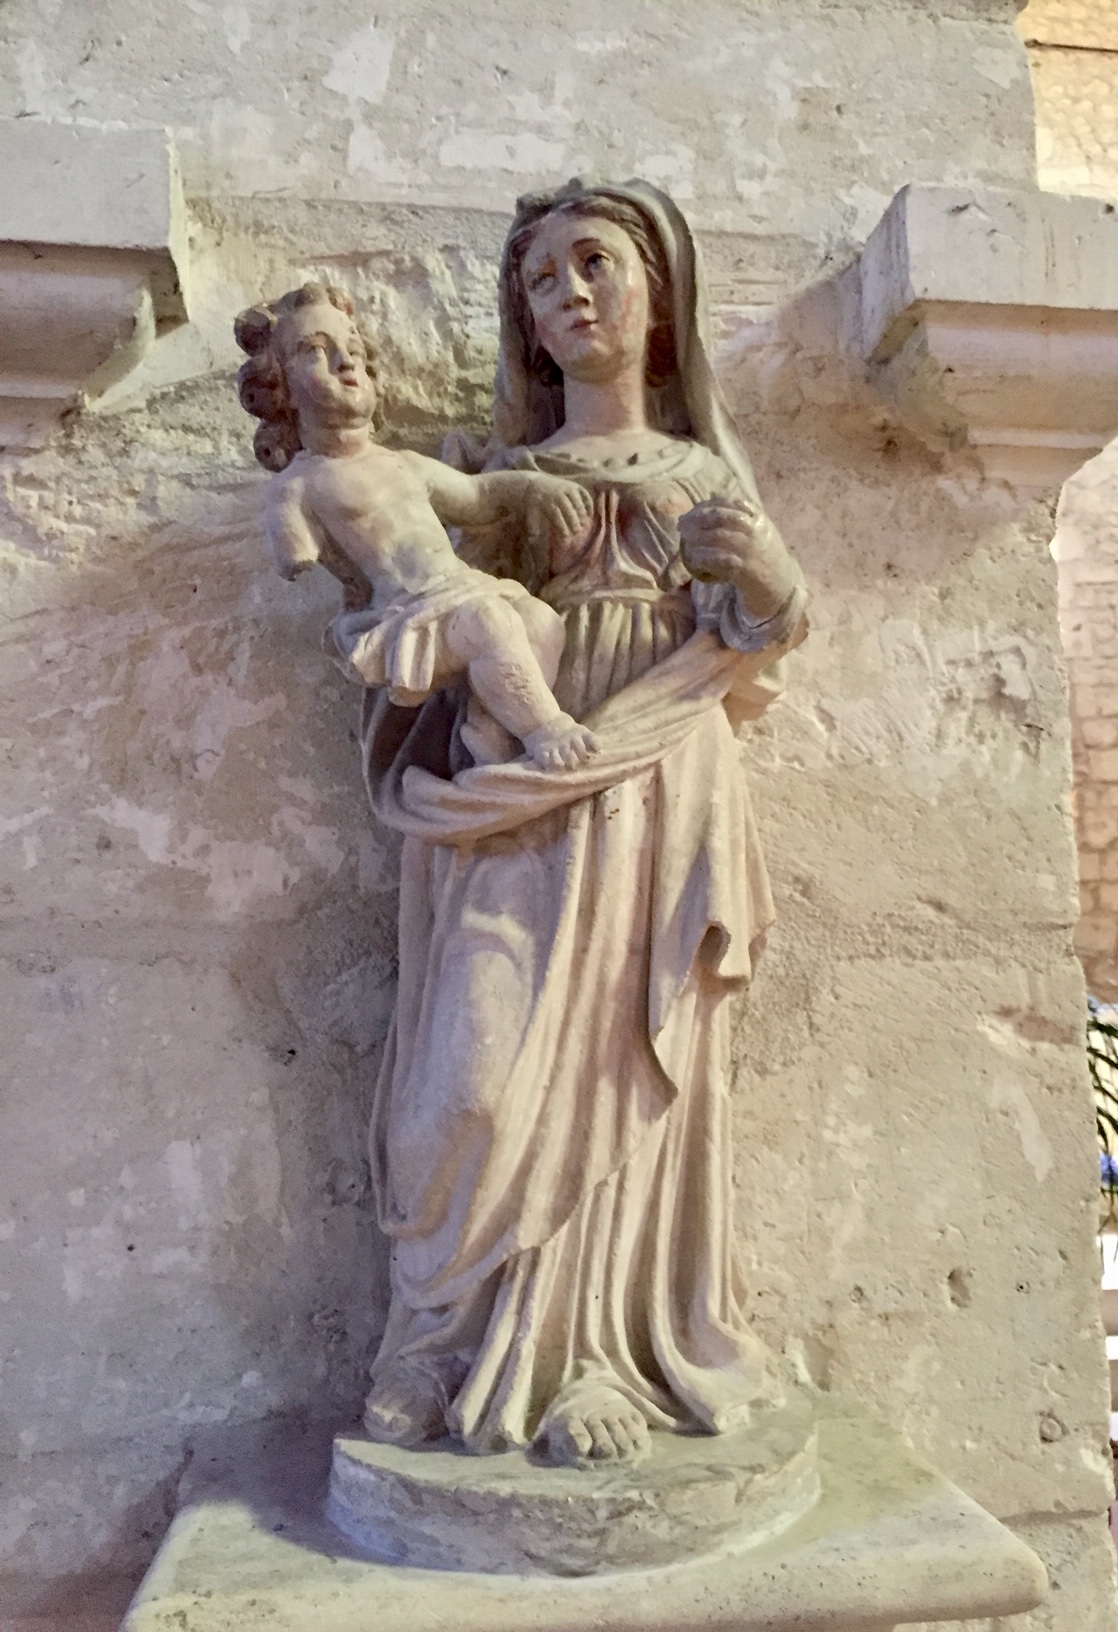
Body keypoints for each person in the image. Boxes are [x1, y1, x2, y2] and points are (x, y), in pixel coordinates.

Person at [355, 180, 808, 1467]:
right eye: (541, 279)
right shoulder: (499, 480)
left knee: (624, 1072)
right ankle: (440, 1340)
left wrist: (768, 575)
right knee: (468, 1082)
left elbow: (761, 640)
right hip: (522, 797)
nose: (569, 294)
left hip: (663, 787)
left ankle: (595, 1357)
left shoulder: (704, 471)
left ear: (659, 294)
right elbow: (419, 592)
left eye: (595, 263)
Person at [234, 282, 598, 771]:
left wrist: (533, 487)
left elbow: (477, 498)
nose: (344, 362)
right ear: (280, 388)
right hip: (404, 611)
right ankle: (546, 730)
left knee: (540, 621)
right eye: (315, 352)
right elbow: (294, 555)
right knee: (489, 623)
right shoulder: (298, 486)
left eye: (354, 350)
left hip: (460, 588)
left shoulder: (405, 464)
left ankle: (490, 729)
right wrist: (295, 542)